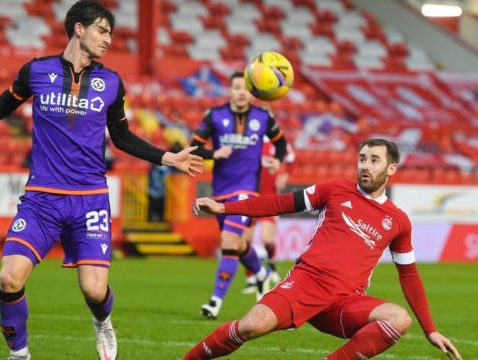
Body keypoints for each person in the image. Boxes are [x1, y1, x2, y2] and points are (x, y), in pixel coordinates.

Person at [0, 0, 202, 360]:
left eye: (110, 32)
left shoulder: (111, 82)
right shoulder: (36, 71)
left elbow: (122, 136)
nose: (108, 39)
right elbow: (3, 105)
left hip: (90, 198)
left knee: (94, 291)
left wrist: (166, 156)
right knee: (8, 279)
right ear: (78, 28)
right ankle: (19, 354)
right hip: (41, 199)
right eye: (102, 30)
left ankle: (103, 323)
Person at [184, 139, 462, 360]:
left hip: (344, 302)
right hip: (306, 284)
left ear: (391, 168)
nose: (365, 165)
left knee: (398, 318)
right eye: (362, 159)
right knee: (249, 326)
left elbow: (409, 276)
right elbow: (280, 204)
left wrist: (431, 330)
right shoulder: (334, 190)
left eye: (374, 160)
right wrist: (225, 207)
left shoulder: (399, 221)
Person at [190, 71, 287, 319]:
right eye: (236, 88)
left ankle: (215, 302)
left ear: (252, 91)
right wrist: (214, 154)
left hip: (246, 190)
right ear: (230, 91)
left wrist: (277, 161)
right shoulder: (215, 115)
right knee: (239, 244)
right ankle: (262, 274)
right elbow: (195, 146)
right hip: (220, 191)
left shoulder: (263, 116)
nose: (241, 92)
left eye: (245, 88)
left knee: (229, 242)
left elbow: (281, 143)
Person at [242, 140, 296, 293]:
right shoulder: (251, 139)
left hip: (269, 197)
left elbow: (291, 159)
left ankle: (271, 264)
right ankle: (251, 278)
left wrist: (286, 175)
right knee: (245, 241)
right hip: (250, 196)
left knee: (267, 239)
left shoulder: (278, 141)